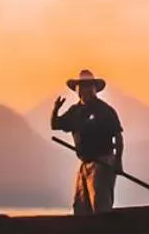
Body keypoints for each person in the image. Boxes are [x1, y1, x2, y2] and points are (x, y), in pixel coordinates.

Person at [51, 70, 124, 215]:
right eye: (82, 87)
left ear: (94, 89)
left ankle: (104, 232)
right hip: (85, 163)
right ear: (78, 90)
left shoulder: (104, 110)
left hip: (103, 162)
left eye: (89, 86)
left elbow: (118, 136)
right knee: (81, 205)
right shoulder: (75, 111)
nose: (86, 90)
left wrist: (118, 161)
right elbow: (55, 125)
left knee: (100, 204)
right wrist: (55, 110)